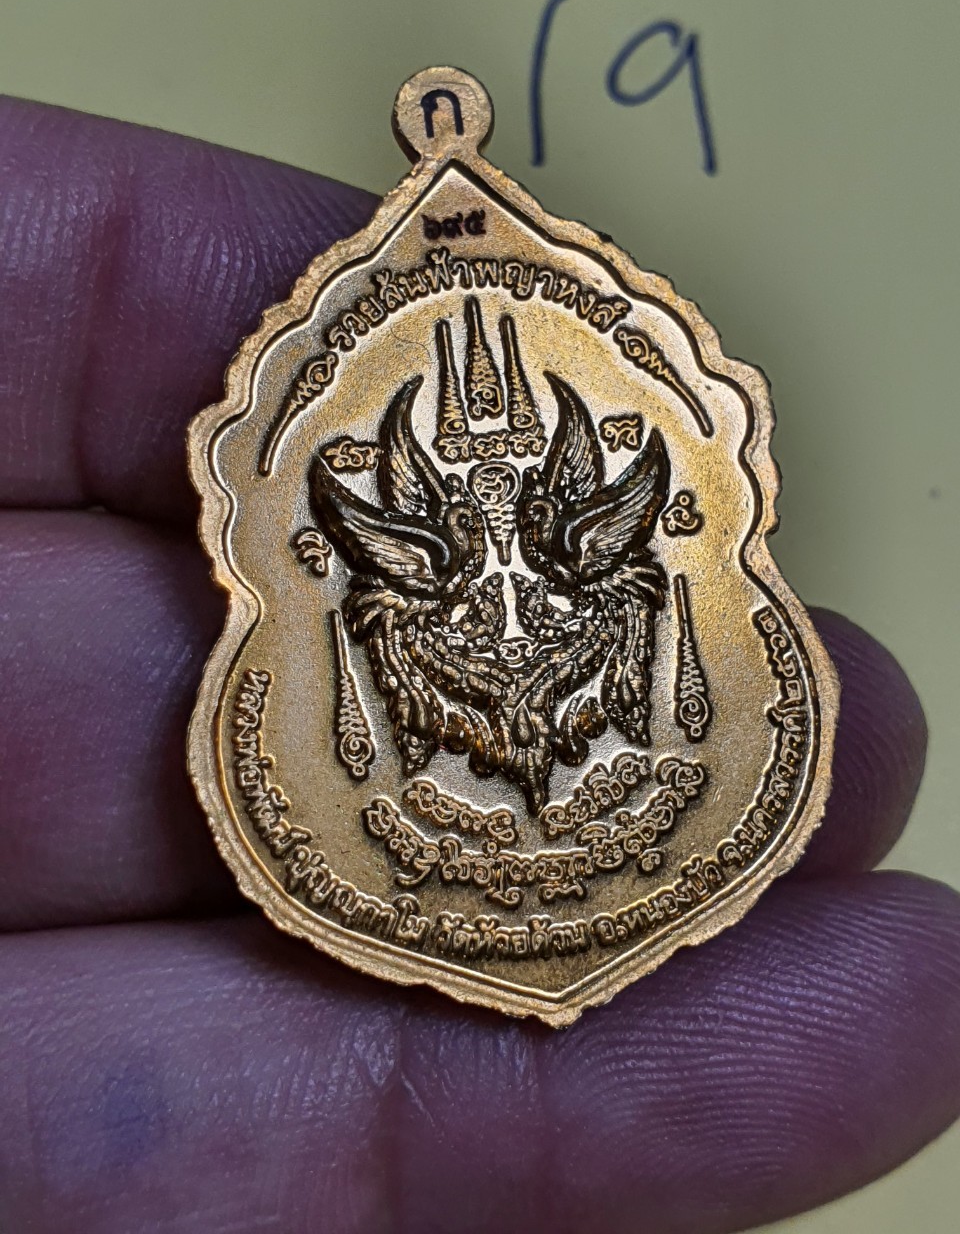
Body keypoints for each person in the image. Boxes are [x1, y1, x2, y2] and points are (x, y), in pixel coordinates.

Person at [0, 96, 957, 1234]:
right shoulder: (392, 604)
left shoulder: (608, 585)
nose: (507, 606)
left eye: (546, 564)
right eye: (464, 570)